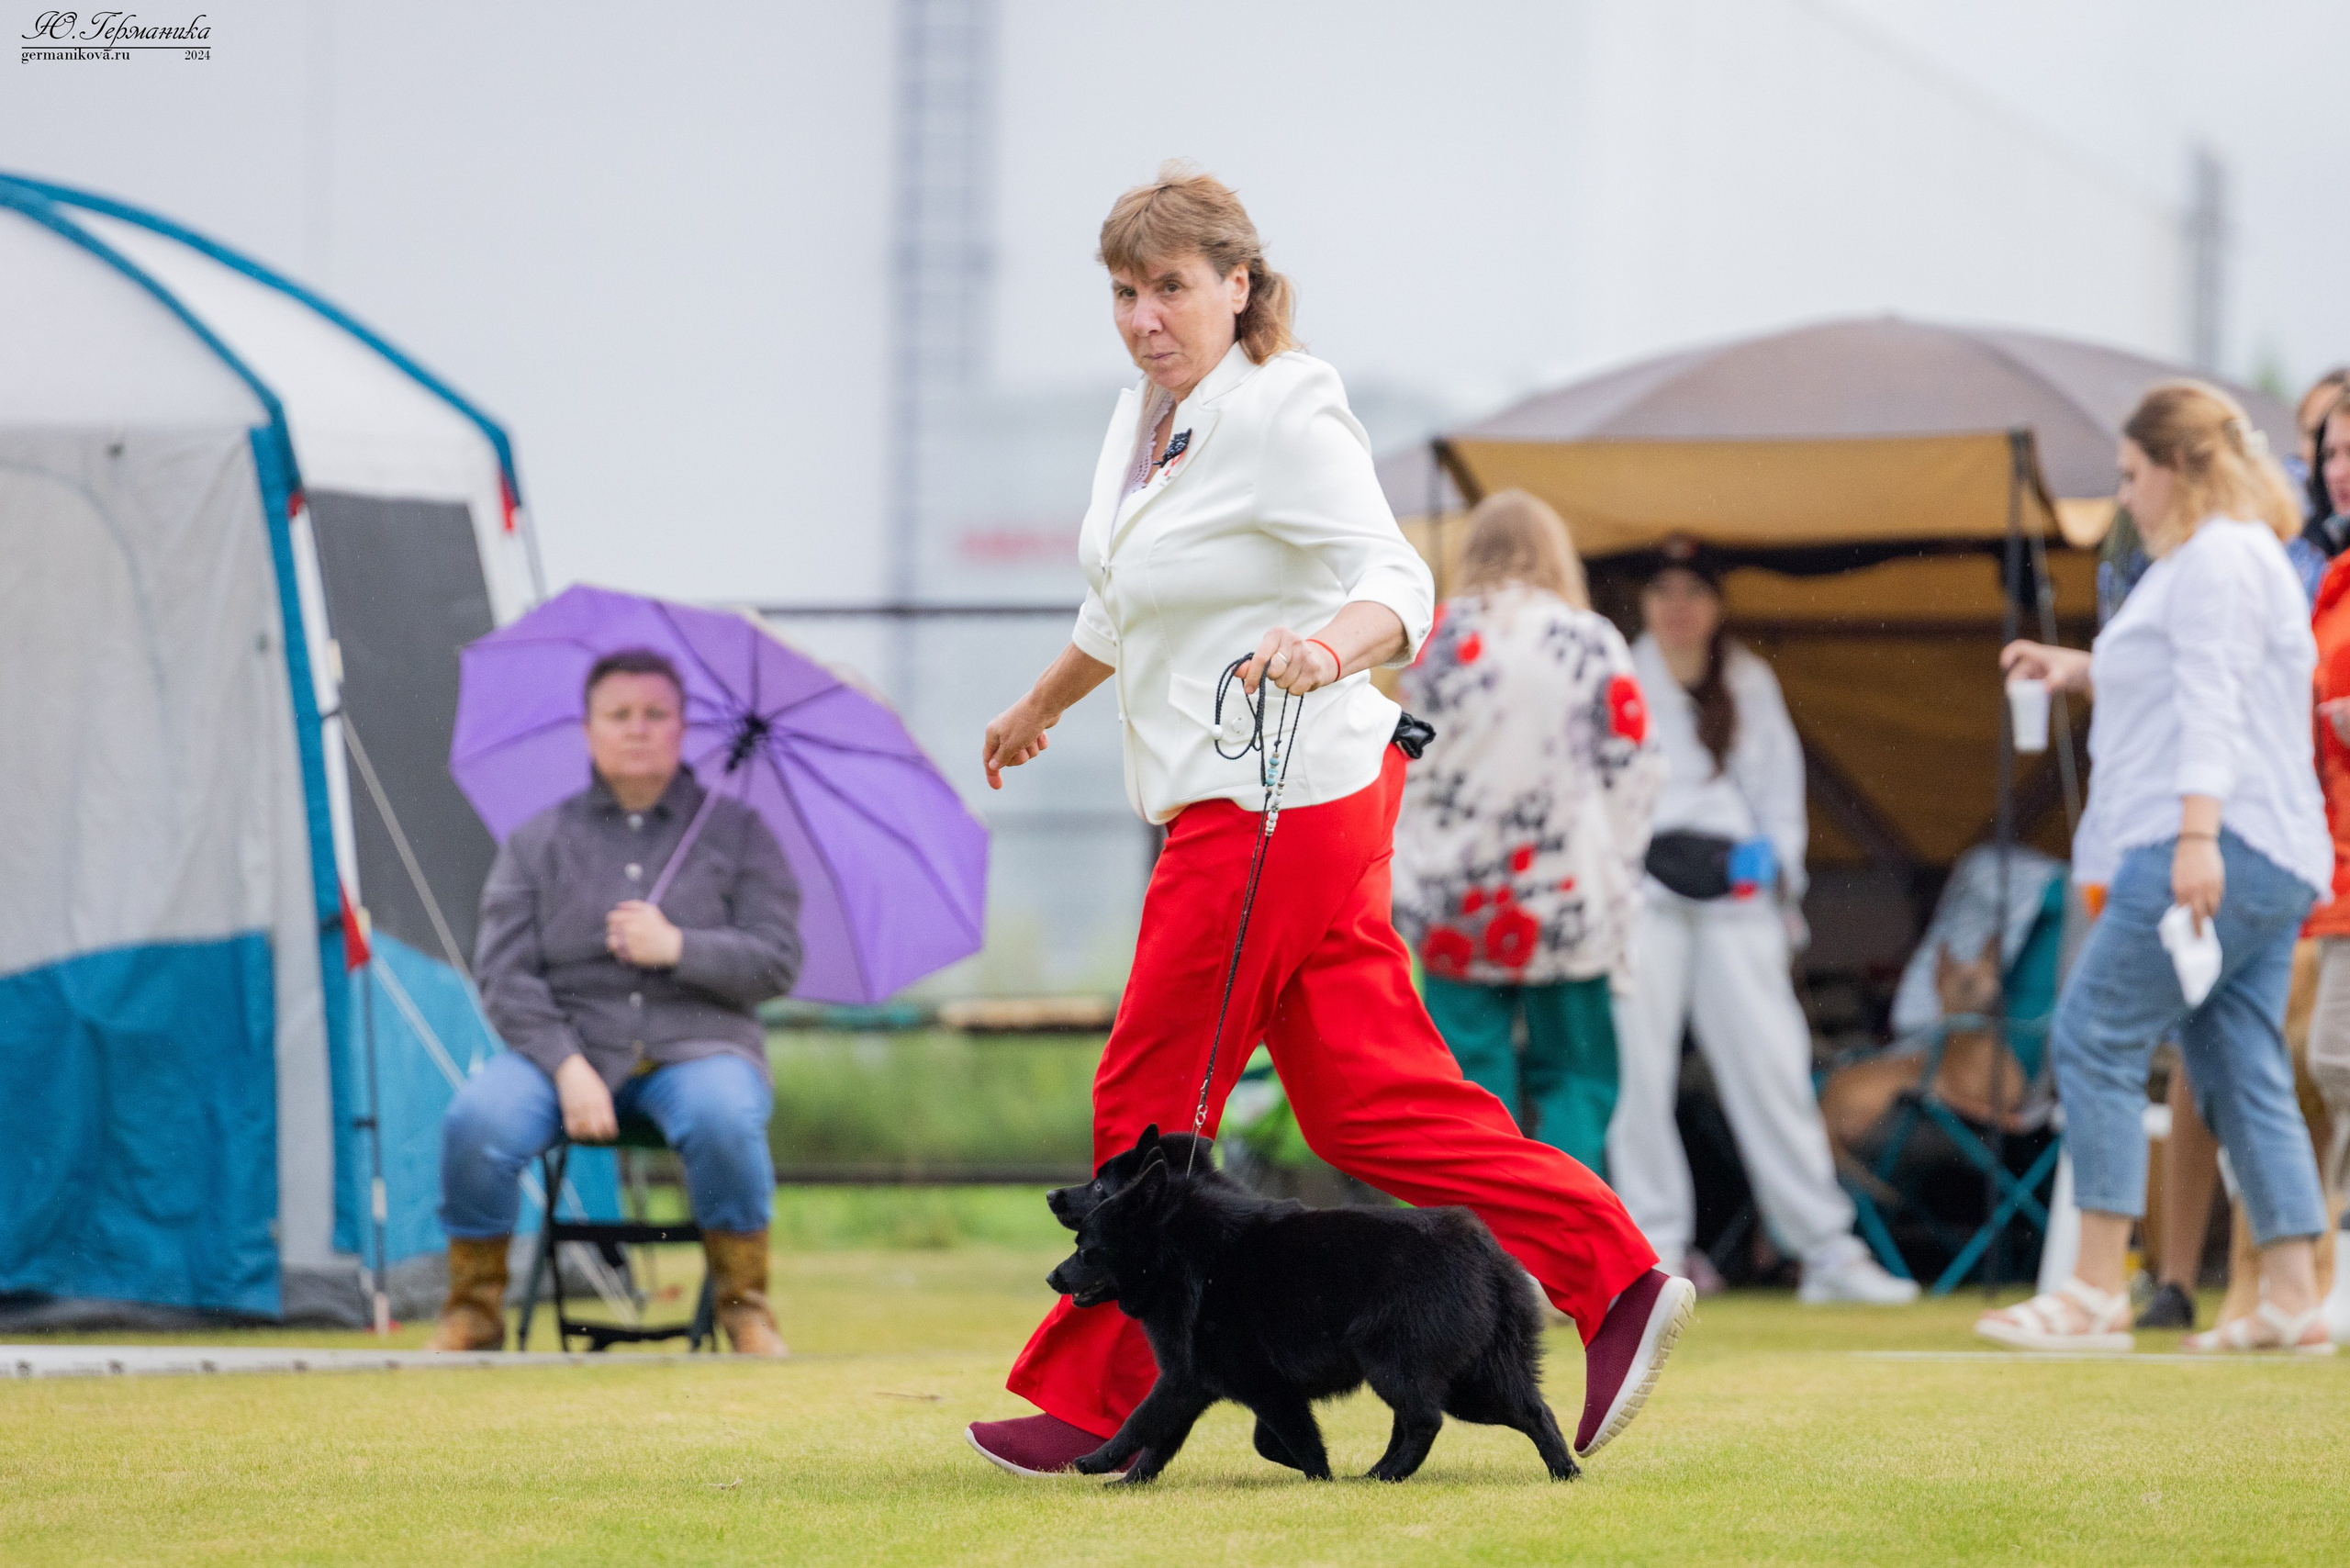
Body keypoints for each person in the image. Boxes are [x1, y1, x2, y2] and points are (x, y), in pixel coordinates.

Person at [965, 164, 1685, 1477]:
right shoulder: (1144, 418)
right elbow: (1125, 607)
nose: (1143, 317)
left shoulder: (1286, 406)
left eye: (1171, 287)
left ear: (1238, 286)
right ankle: (1620, 1276)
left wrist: (1330, 649)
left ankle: (1096, 1398)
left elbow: (1395, 579)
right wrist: (1041, 706)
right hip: (1301, 808)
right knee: (1369, 1107)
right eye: (1125, 292)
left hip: (1268, 804)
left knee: (1148, 1095)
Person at [1980, 380, 2334, 1353]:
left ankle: (2093, 1289)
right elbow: (2183, 676)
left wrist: (2193, 838)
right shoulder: (2228, 557)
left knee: (2094, 1031)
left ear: (2177, 467)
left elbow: (2213, 699)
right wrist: (2076, 667)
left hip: (2209, 841)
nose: (2126, 497)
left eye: (2132, 475)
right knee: (2236, 1059)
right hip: (2272, 848)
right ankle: (2295, 1297)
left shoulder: (2214, 558)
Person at [424, 648, 803, 1355]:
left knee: (726, 1116)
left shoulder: (741, 835)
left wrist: (678, 948)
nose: (637, 728)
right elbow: (504, 974)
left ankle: (745, 1306)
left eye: (655, 714)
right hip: (560, 1049)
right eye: (619, 714)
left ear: (682, 727)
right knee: (476, 1120)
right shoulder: (537, 842)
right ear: (589, 729)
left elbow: (777, 960)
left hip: (699, 1051)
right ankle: (472, 1312)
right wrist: (566, 1065)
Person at [1606, 539, 1919, 1305]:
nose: (1679, 608)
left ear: (1716, 605)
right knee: (1636, 1077)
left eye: (1695, 592)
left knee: (1773, 1068)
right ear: (1646, 603)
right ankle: (1656, 1252)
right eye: (1665, 591)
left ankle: (1824, 1250)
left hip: (1736, 898)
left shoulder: (1746, 679)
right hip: (1643, 892)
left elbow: (1780, 799)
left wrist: (1773, 878)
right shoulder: (1620, 672)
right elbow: (1599, 791)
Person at [1392, 489, 1662, 1176]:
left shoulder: (1433, 643)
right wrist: (1618, 865)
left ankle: (1482, 1258)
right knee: (1577, 1079)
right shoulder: (1589, 639)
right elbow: (1634, 766)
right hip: (1566, 897)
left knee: (1469, 1093)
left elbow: (1398, 765)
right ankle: (1567, 1252)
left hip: (1455, 904)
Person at [2300, 390, 2350, 1343]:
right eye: (2331, 450)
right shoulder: (2333, 579)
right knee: (2332, 1061)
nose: (2339, 466)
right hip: (2336, 865)